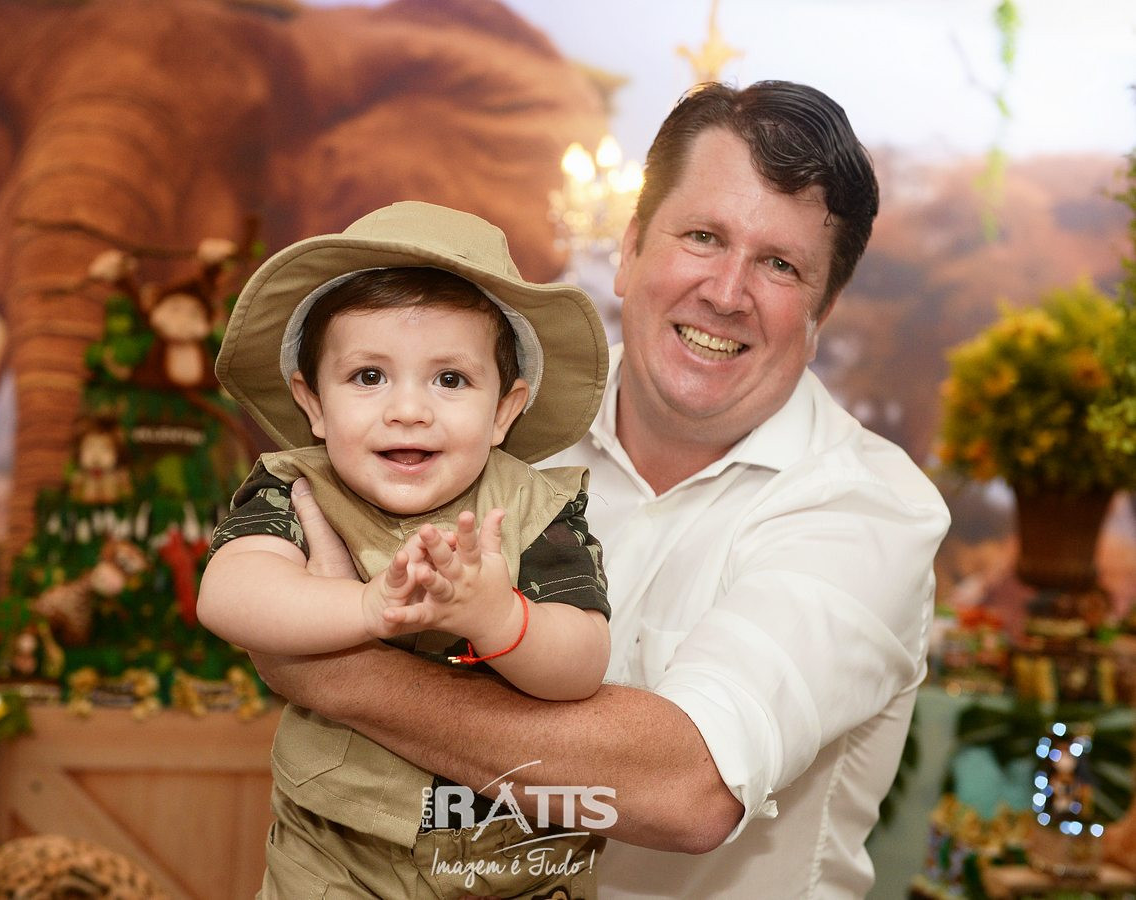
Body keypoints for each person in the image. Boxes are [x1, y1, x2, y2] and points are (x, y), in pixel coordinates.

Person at [252, 81, 952, 898]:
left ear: (819, 313)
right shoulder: (481, 424)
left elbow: (688, 786)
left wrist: (336, 670)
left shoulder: (868, 508)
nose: (726, 293)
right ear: (628, 250)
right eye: (702, 236)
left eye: (779, 265)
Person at [198, 201, 612, 898]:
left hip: (512, 863)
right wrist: (365, 606)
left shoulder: (536, 509)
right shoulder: (296, 488)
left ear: (504, 410)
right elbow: (229, 594)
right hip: (334, 849)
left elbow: (582, 665)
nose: (409, 410)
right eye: (369, 376)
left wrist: (499, 617)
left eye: (450, 379)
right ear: (313, 402)